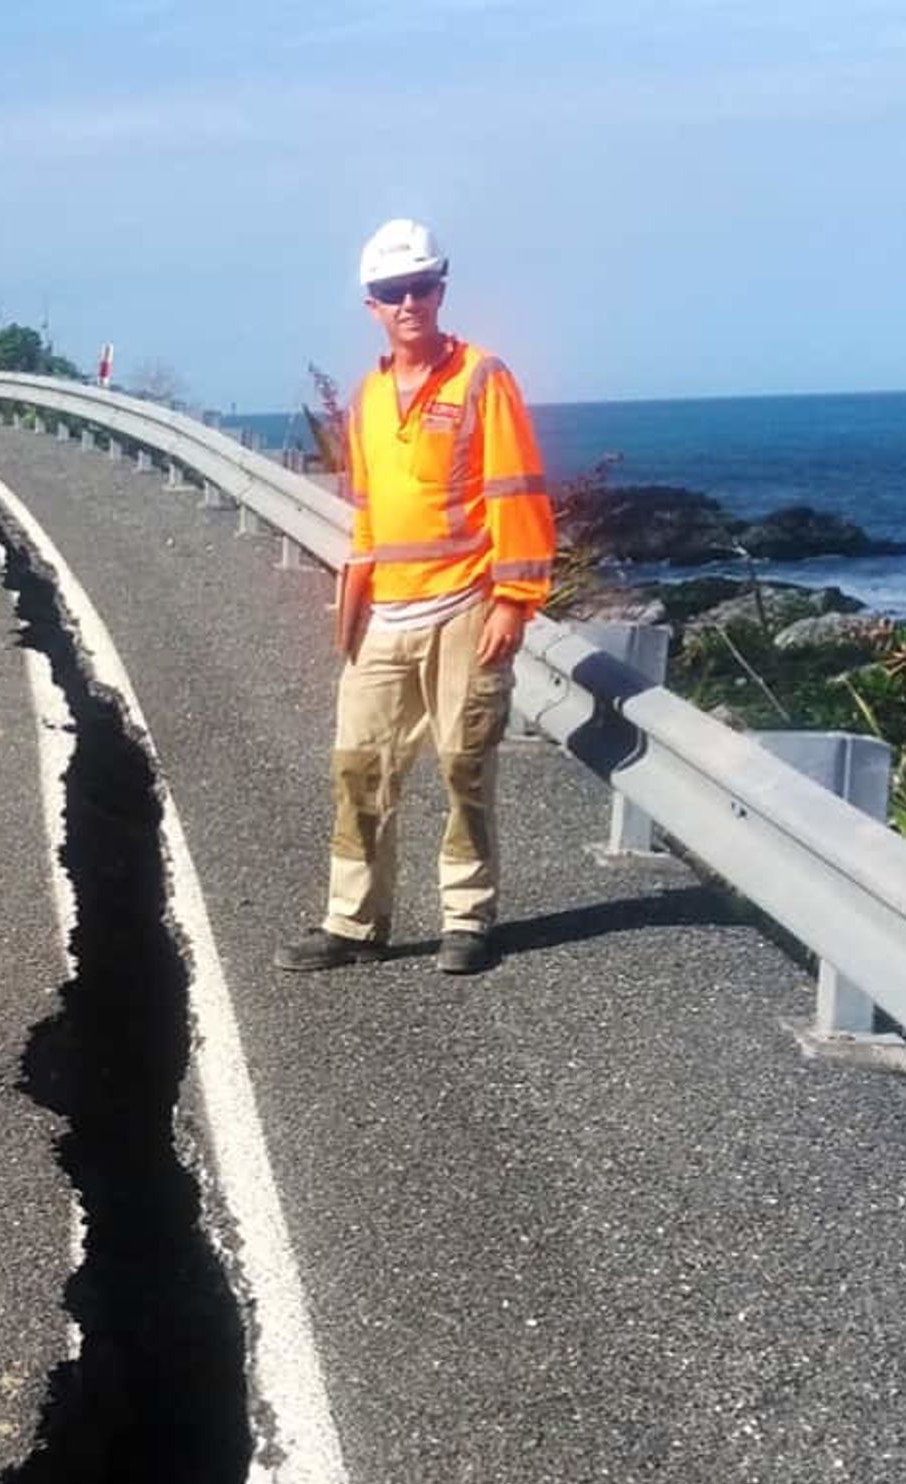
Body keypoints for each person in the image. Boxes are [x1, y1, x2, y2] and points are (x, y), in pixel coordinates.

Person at [277, 219, 556, 978]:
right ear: (371, 304)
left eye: (421, 287)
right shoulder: (367, 398)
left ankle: (466, 917)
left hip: (465, 604)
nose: (409, 303)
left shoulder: (480, 378)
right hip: (387, 614)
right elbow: (366, 513)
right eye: (391, 292)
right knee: (358, 766)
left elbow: (518, 493)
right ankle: (353, 922)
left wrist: (514, 599)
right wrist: (355, 601)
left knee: (464, 764)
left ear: (441, 290)